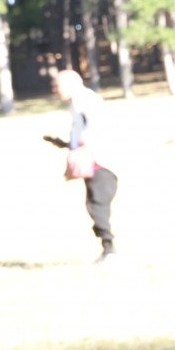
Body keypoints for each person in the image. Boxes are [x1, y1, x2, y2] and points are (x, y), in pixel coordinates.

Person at [53, 70, 118, 262]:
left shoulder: (87, 100)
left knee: (98, 205)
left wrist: (82, 143)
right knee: (92, 205)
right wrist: (66, 144)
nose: (55, 90)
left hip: (100, 162)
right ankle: (107, 249)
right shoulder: (76, 102)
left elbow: (95, 126)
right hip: (91, 161)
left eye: (57, 86)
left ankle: (110, 250)